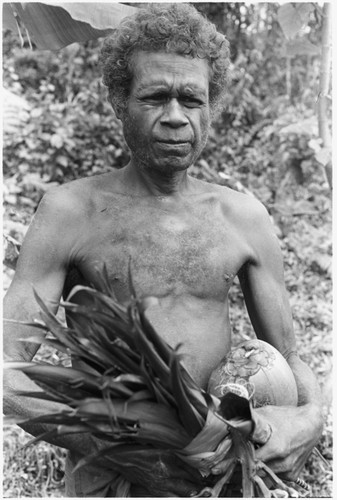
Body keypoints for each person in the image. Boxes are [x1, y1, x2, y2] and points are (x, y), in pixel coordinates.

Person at [3, 3, 323, 497]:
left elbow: (291, 356)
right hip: (111, 479)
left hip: (221, 473)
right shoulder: (70, 212)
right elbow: (7, 373)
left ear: (210, 106)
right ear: (118, 101)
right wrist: (126, 445)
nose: (176, 117)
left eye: (191, 99)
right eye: (155, 97)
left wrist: (309, 420)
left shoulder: (244, 218)